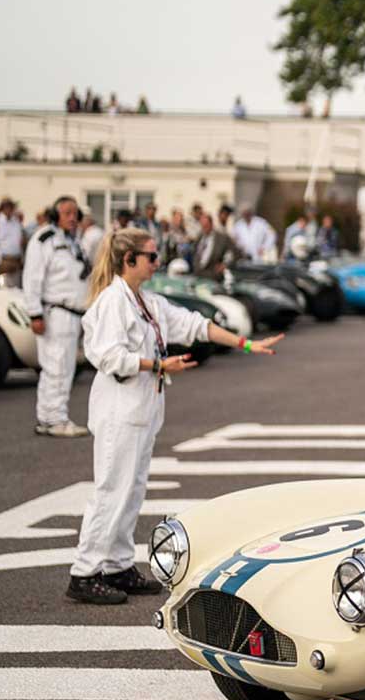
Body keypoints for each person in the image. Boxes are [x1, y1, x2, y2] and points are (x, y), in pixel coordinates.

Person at [68, 227, 283, 604]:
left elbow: (195, 324)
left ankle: (117, 564)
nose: (157, 262)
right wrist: (159, 365)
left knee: (132, 491)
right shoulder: (111, 304)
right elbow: (107, 357)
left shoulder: (146, 301)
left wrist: (247, 343)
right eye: (150, 257)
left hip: (142, 410)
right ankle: (84, 572)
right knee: (110, 491)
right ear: (128, 260)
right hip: (119, 410)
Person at [21, 196, 92, 438]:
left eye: (75, 213)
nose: (72, 218)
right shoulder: (45, 240)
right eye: (67, 213)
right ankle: (54, 419)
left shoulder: (74, 242)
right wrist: (34, 314)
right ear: (55, 215)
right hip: (55, 313)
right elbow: (32, 279)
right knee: (56, 368)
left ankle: (49, 417)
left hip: (73, 314)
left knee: (64, 368)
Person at [190, 210, 235, 279]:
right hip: (198, 276)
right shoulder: (200, 237)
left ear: (211, 224)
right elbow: (195, 252)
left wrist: (225, 265)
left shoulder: (222, 238)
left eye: (206, 225)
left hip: (213, 277)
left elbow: (235, 252)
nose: (204, 228)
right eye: (202, 226)